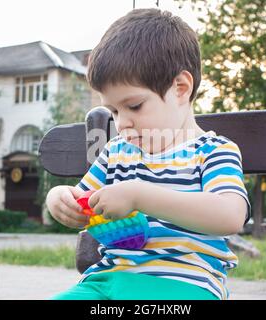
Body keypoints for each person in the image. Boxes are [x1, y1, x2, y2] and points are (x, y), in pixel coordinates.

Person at [46, 8, 251, 300]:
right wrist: (60, 200)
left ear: (180, 88)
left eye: (134, 106)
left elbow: (230, 215)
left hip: (184, 284)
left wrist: (140, 195)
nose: (122, 122)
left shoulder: (214, 152)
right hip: (106, 281)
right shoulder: (116, 152)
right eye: (114, 111)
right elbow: (82, 200)